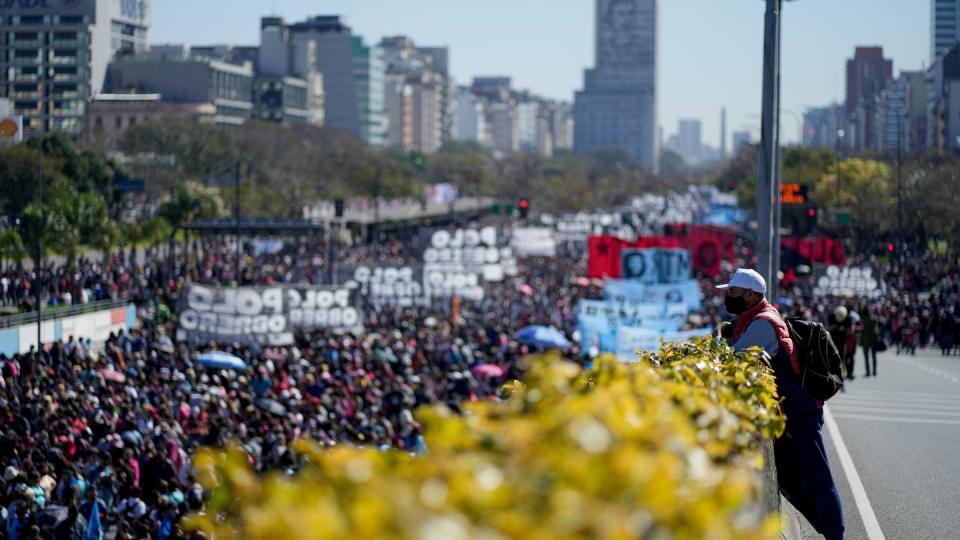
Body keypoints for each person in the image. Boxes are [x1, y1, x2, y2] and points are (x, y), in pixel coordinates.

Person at [718, 268, 844, 540]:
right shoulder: (751, 319)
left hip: (801, 412)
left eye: (732, 292)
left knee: (818, 482)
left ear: (750, 295)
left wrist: (724, 341)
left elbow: (731, 360)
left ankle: (836, 534)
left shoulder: (762, 323)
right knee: (789, 480)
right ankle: (828, 528)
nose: (727, 296)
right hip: (788, 411)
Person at [859, 303, 880, 377]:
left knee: (866, 357)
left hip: (865, 339)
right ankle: (874, 371)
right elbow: (876, 328)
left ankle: (868, 372)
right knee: (874, 356)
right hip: (873, 338)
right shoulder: (874, 317)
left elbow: (861, 328)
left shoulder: (863, 318)